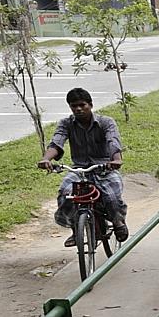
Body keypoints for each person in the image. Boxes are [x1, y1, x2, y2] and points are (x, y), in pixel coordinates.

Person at [37, 88, 129, 246]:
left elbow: (113, 141)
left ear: (90, 105)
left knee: (112, 195)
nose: (78, 109)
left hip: (104, 167)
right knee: (66, 194)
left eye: (82, 105)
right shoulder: (66, 124)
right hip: (79, 169)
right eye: (74, 106)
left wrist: (116, 159)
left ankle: (118, 221)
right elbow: (57, 143)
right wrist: (46, 159)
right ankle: (76, 230)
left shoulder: (106, 122)